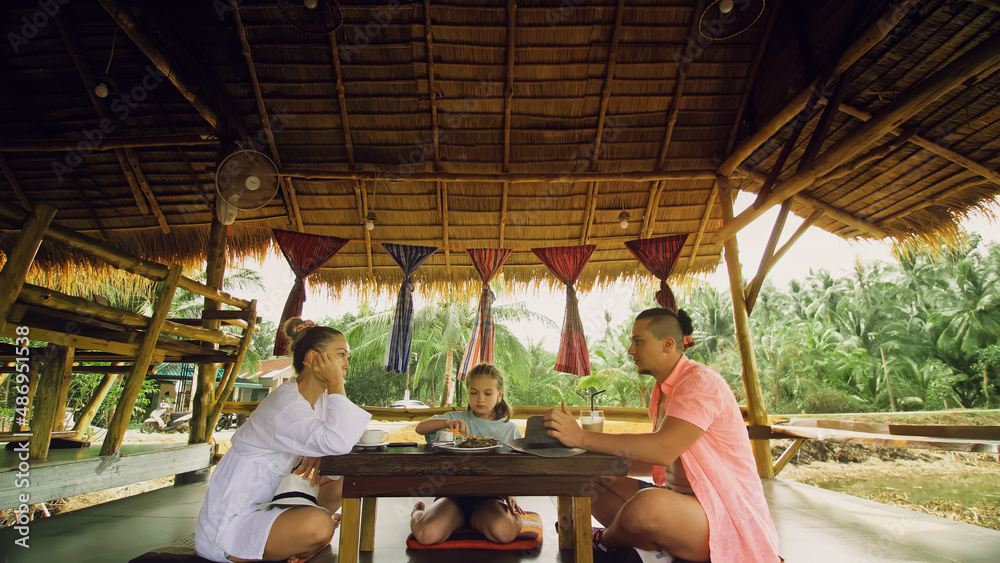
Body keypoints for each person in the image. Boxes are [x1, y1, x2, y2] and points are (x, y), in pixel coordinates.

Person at [544, 308, 780, 563]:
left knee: (647, 506)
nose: (630, 350)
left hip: (720, 513)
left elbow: (663, 449)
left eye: (638, 341)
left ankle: (604, 541)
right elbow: (657, 460)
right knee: (593, 483)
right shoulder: (662, 391)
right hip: (680, 506)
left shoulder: (699, 381)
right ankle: (651, 548)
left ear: (667, 344)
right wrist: (587, 459)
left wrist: (581, 438)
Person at [195, 318, 370, 563]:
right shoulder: (285, 402)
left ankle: (295, 541)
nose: (347, 365)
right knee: (320, 526)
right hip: (234, 520)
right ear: (312, 359)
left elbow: (342, 438)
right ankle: (288, 545)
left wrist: (317, 450)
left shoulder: (318, 402)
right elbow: (338, 441)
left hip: (275, 502)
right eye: (341, 355)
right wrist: (336, 384)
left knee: (344, 483)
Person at [409, 363, 524, 545]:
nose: (480, 399)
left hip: (488, 500)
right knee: (426, 535)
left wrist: (511, 494)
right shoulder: (456, 419)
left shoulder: (510, 431)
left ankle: (514, 518)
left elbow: (514, 469)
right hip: (451, 496)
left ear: (499, 393)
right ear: (467, 391)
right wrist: (446, 423)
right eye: (473, 392)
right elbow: (420, 428)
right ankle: (418, 511)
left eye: (487, 393)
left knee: (505, 532)